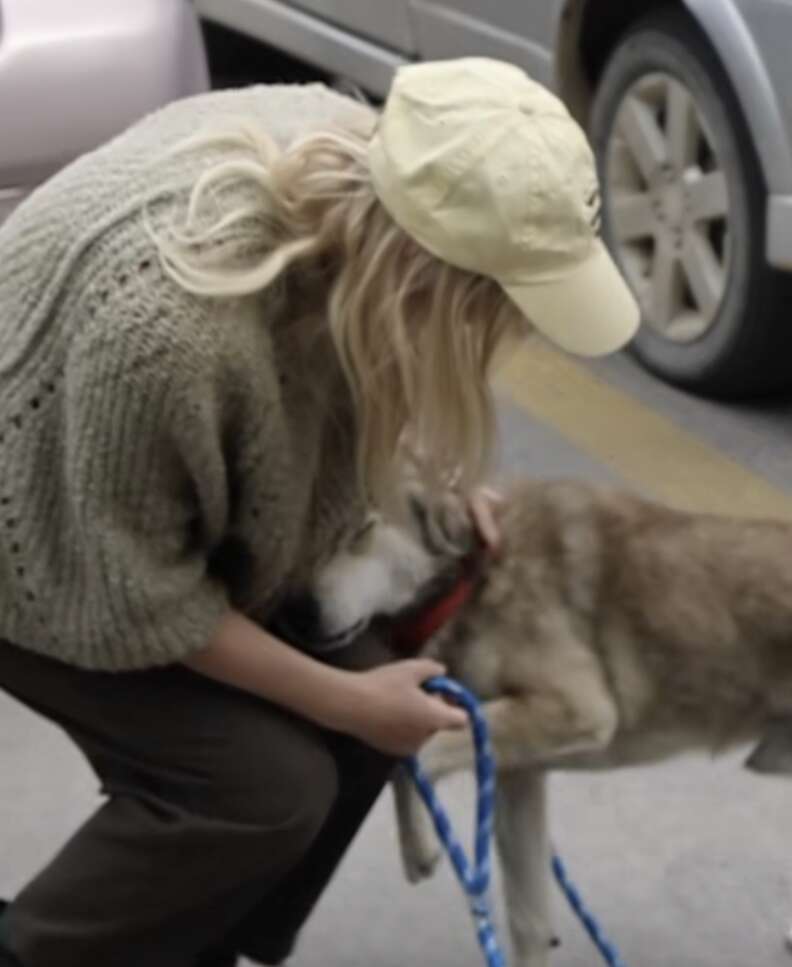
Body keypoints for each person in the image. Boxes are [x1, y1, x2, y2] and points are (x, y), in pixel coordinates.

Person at [0, 57, 639, 967]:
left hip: (141, 502)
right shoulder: (168, 333)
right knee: (262, 788)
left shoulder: (371, 167)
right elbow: (141, 595)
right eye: (501, 309)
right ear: (433, 281)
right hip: (35, 539)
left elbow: (366, 348)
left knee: (375, 710)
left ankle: (192, 939)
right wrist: (343, 701)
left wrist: (428, 472)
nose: (517, 336)